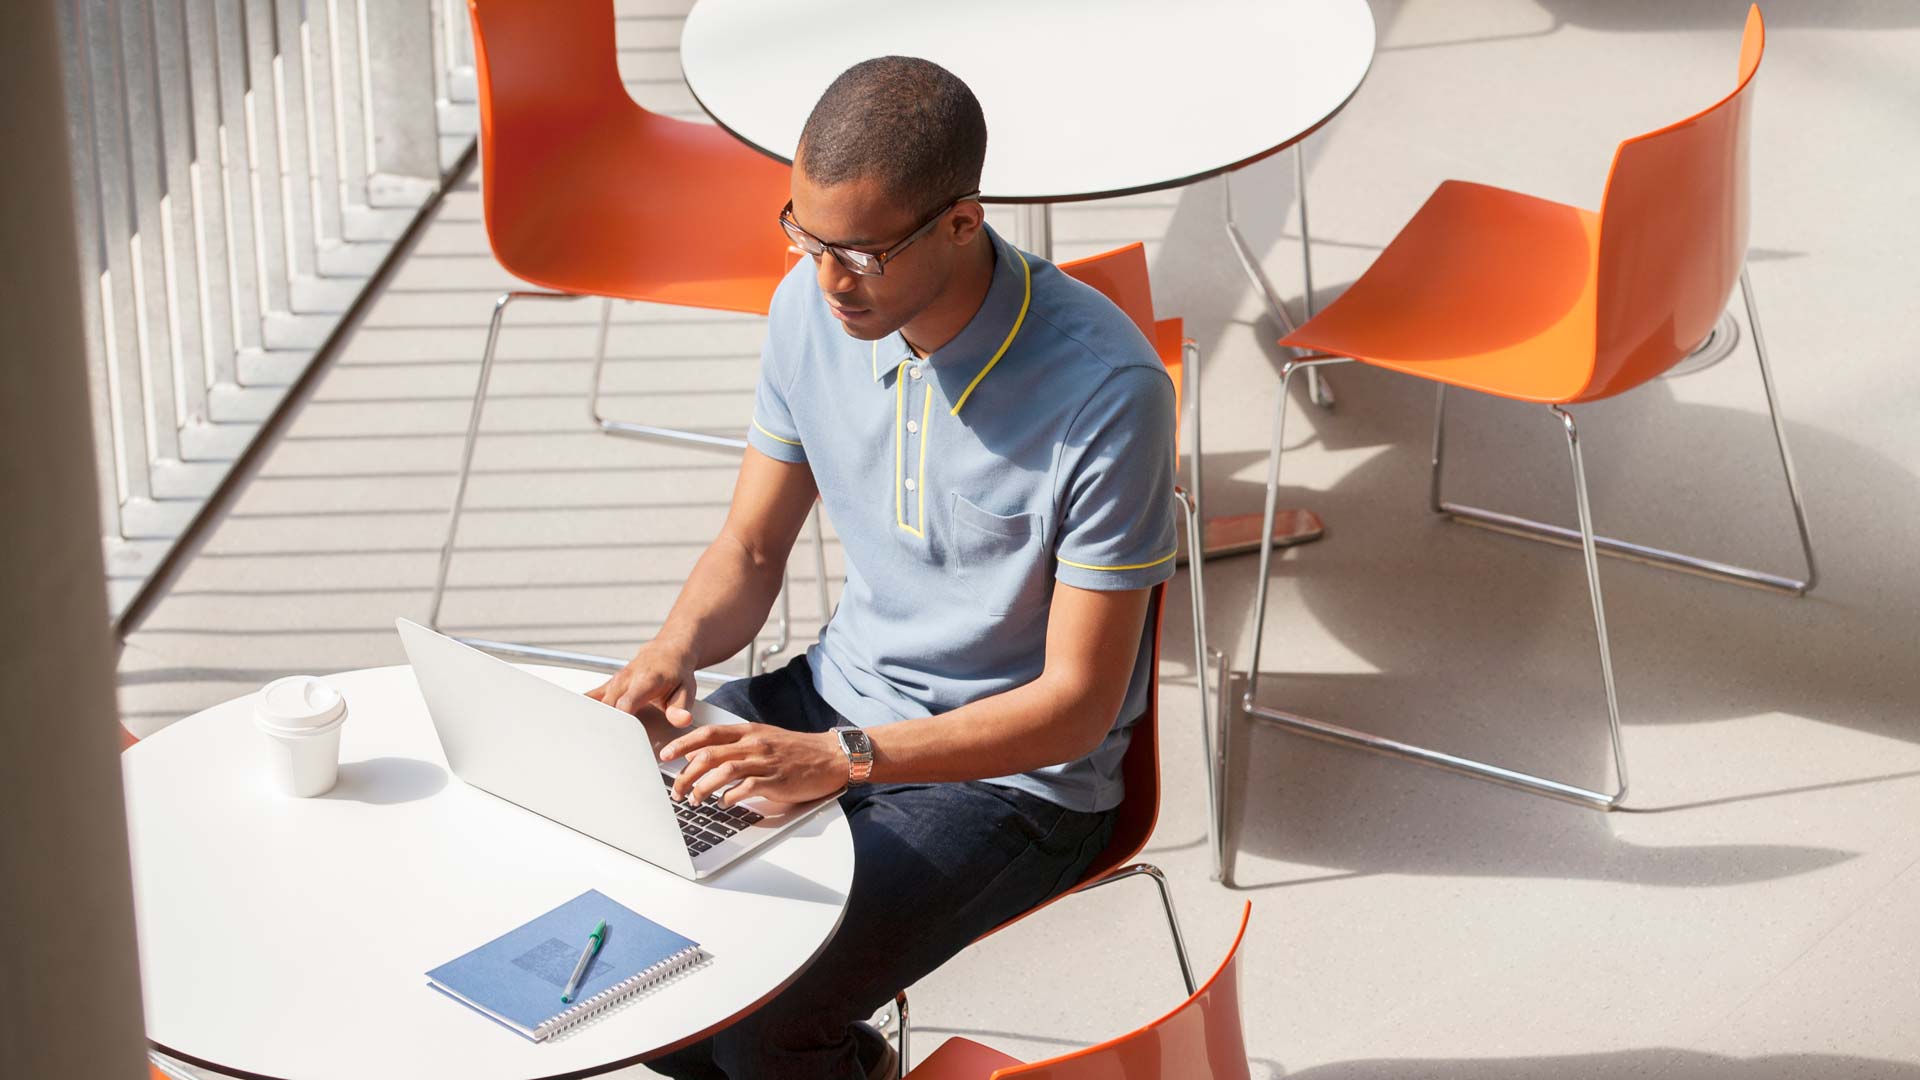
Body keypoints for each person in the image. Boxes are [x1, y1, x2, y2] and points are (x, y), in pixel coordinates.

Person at [589, 55, 1177, 1080]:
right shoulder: (806, 312)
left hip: (1017, 782)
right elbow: (752, 548)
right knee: (639, 967)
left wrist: (845, 761)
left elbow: (1079, 707)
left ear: (961, 222)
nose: (826, 281)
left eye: (859, 253)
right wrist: (670, 654)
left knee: (759, 1025)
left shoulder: (1105, 391)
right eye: (807, 239)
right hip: (830, 701)